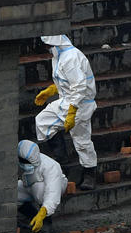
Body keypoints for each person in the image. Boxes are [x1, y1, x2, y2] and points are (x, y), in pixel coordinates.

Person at [34, 35, 99, 191]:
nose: (47, 49)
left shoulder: (71, 58)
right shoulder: (59, 56)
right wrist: (51, 90)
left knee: (81, 140)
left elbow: (80, 87)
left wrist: (72, 112)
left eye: (47, 46)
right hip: (66, 100)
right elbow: (65, 81)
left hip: (80, 105)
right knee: (42, 121)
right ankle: (62, 161)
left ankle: (90, 173)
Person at [17, 139, 68, 233]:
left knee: (40, 188)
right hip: (29, 185)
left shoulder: (51, 166)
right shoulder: (19, 161)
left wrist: (43, 212)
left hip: (55, 186)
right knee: (15, 193)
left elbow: (52, 192)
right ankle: (32, 217)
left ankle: (46, 221)